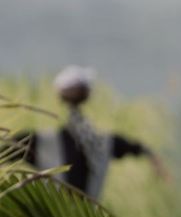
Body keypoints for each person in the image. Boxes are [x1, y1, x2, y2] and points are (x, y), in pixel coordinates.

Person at [15, 65, 167, 200]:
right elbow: (139, 148)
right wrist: (155, 161)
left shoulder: (43, 141)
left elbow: (9, 149)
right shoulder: (102, 143)